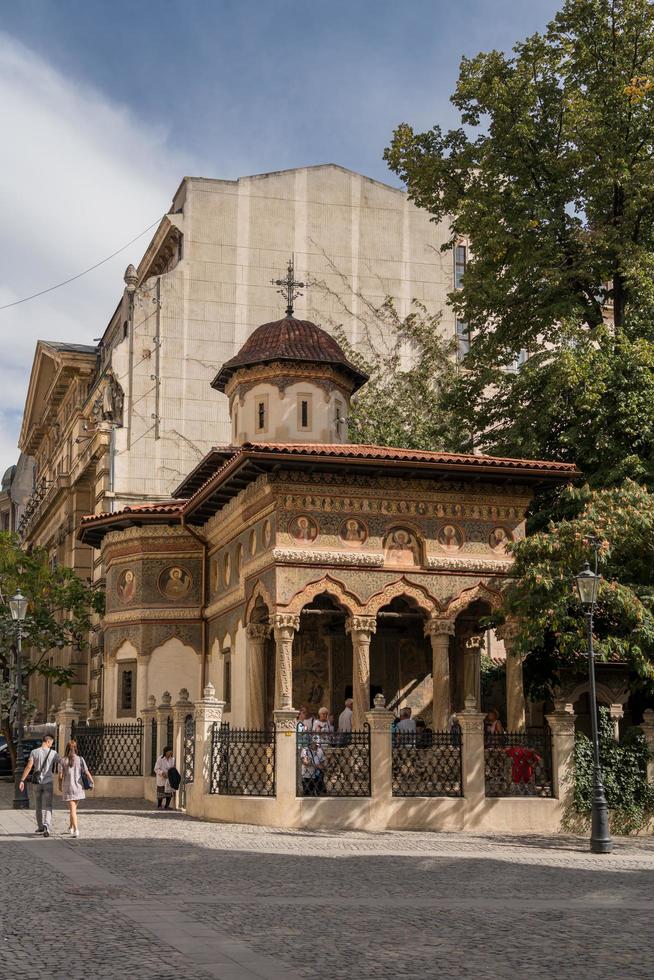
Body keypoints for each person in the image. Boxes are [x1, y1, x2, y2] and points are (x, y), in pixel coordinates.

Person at [19, 733, 61, 837]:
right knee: (48, 805)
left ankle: (40, 827)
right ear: (47, 741)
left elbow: (29, 767)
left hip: (37, 783)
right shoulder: (53, 753)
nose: (51, 745)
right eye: (51, 743)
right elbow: (62, 762)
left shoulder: (34, 752)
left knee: (38, 805)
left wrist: (22, 780)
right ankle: (47, 825)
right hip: (48, 783)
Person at [58, 739, 94, 838]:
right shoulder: (80, 759)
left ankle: (76, 829)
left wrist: (59, 785)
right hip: (78, 788)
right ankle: (70, 827)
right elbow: (86, 772)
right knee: (73, 809)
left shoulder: (62, 760)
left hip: (68, 788)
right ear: (75, 748)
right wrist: (92, 781)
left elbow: (60, 776)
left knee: (72, 810)